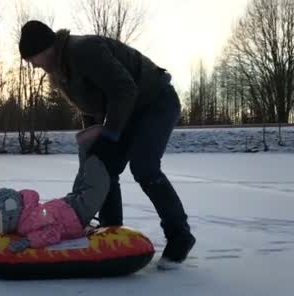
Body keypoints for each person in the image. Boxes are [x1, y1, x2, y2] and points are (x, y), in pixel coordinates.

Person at [18, 20, 196, 269]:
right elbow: (91, 105)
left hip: (155, 102)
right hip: (126, 110)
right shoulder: (62, 71)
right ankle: (112, 232)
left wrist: (110, 135)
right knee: (102, 167)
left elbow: (124, 89)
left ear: (47, 48)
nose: (34, 65)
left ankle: (180, 236)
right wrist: (93, 142)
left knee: (144, 167)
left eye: (32, 58)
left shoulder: (84, 50)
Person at [0, 125, 110, 253]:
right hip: (67, 207)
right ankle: (85, 147)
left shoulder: (26, 223)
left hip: (76, 215)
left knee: (97, 186)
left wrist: (29, 241)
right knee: (83, 181)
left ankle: (94, 148)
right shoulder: (24, 213)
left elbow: (53, 232)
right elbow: (7, 225)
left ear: (9, 215)